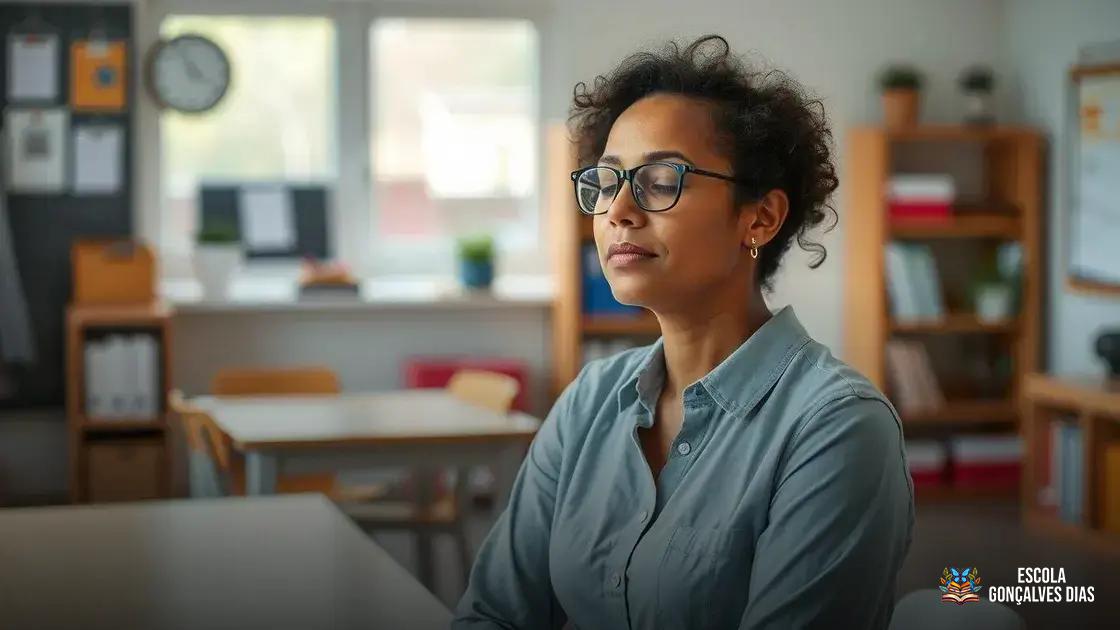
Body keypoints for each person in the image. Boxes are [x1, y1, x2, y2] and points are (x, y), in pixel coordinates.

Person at [453, 34, 913, 630]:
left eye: (660, 179)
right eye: (608, 180)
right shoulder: (590, 401)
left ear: (760, 218)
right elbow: (493, 614)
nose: (618, 209)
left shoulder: (838, 429)